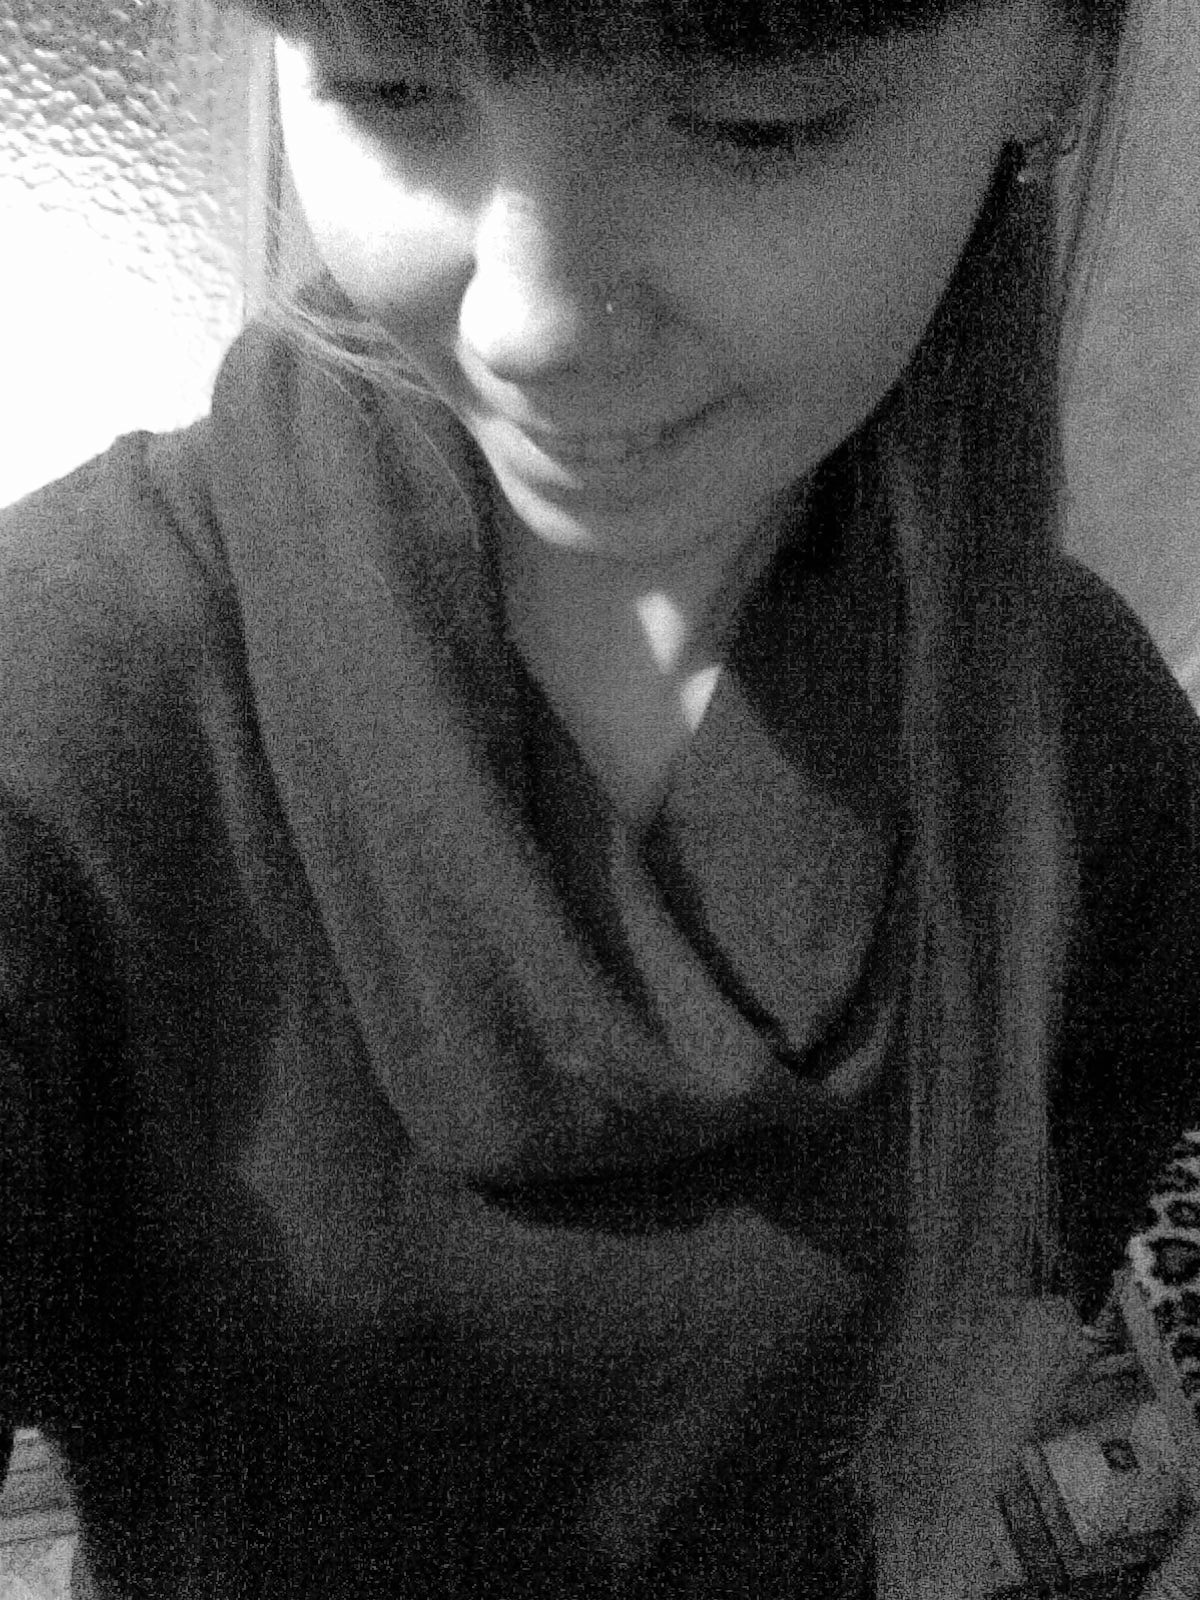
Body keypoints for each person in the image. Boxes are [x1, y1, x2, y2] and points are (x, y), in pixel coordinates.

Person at [2, 0, 1199, 1593]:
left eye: (754, 124)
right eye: (391, 90)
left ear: (1057, 60)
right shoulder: (62, 710)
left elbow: (1022, 1288)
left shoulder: (1086, 738)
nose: (530, 325)